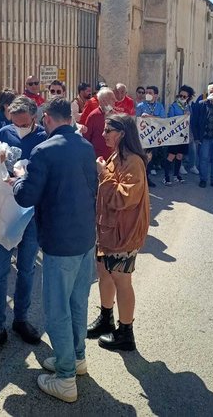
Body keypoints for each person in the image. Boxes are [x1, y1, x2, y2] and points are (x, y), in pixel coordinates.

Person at [12, 98, 98, 403]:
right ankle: (75, 358)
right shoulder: (85, 146)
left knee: (58, 308)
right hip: (85, 237)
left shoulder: (43, 151)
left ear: (47, 118)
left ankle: (65, 378)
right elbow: (92, 188)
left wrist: (19, 179)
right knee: (78, 302)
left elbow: (25, 197)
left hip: (60, 242)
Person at [0, 95, 47, 363]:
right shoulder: (4, 132)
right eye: (14, 123)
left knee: (27, 269)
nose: (18, 128)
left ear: (34, 118)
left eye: (23, 123)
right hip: (4, 211)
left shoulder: (43, 136)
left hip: (31, 214)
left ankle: (21, 319)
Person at [87, 114, 150, 352]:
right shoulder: (117, 155)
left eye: (107, 131)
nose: (103, 135)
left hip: (124, 233)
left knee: (122, 281)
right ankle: (106, 318)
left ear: (121, 133)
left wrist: (103, 173)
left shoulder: (133, 161)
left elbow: (124, 198)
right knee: (104, 273)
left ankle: (126, 333)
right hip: (108, 230)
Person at [162, 85, 194, 186]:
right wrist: (182, 117)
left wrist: (188, 116)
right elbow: (171, 119)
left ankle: (176, 175)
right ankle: (166, 177)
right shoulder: (173, 106)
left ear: (188, 98)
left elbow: (191, 120)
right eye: (181, 95)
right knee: (171, 156)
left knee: (180, 156)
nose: (182, 98)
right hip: (175, 134)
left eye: (184, 97)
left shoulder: (188, 107)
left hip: (184, 135)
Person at [83, 87, 116, 160]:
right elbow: (86, 138)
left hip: (113, 158)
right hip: (97, 159)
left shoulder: (116, 116)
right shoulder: (93, 116)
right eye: (112, 99)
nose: (115, 101)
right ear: (104, 101)